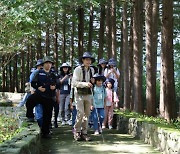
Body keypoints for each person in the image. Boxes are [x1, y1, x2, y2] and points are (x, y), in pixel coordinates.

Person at [26, 56, 59, 138]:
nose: (48, 65)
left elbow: (58, 83)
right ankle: (30, 116)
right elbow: (33, 83)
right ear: (43, 64)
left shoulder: (53, 74)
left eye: (49, 63)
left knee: (48, 116)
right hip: (39, 94)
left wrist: (54, 87)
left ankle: (46, 132)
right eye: (46, 63)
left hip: (49, 97)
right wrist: (38, 88)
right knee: (29, 101)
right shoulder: (38, 72)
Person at [72, 52, 95, 141]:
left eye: (89, 60)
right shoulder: (77, 69)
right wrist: (85, 84)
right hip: (79, 94)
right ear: (83, 60)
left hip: (88, 94)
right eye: (86, 59)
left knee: (87, 114)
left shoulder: (92, 70)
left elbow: (92, 82)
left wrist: (92, 81)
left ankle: (84, 133)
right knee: (80, 113)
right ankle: (77, 131)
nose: (88, 61)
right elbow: (74, 83)